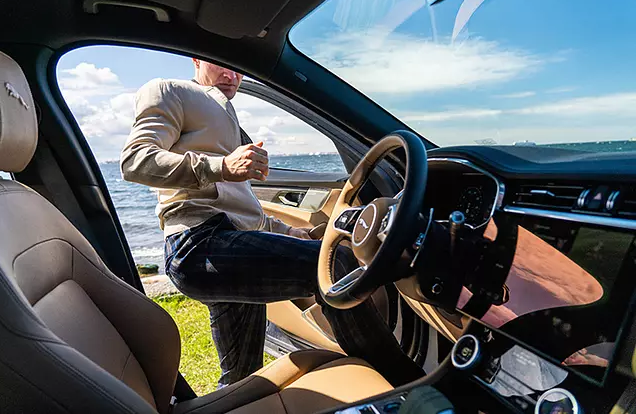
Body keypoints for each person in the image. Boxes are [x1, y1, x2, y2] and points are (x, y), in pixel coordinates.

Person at [120, 59, 423, 389]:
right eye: (218, 64)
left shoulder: (226, 117)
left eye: (237, 68)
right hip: (198, 245)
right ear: (195, 58)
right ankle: (406, 384)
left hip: (230, 243)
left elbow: (245, 212)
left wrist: (294, 233)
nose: (230, 74)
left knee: (240, 376)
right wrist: (221, 166)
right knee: (334, 267)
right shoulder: (169, 90)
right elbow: (135, 161)